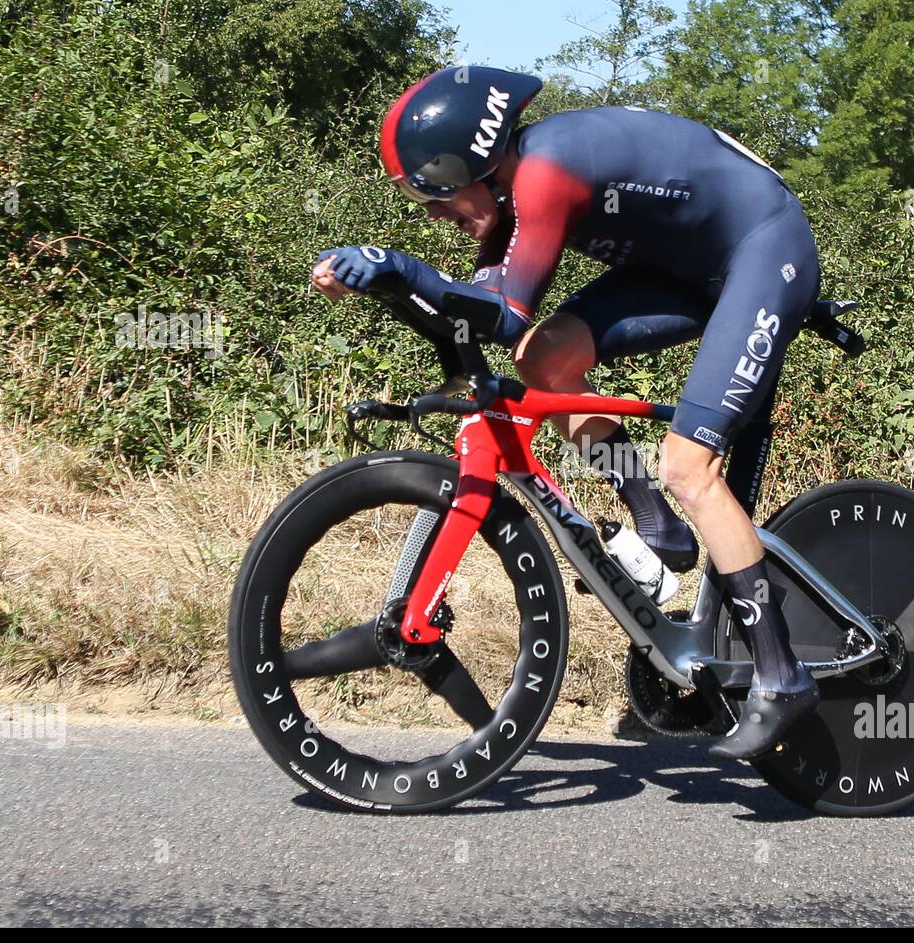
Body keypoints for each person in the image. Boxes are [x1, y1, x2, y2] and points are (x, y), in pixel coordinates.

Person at [312, 66, 822, 760]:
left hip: (763, 250)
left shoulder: (546, 171)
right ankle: (657, 524)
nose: (434, 216)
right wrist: (380, 284)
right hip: (689, 269)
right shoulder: (511, 197)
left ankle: (782, 675)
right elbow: (471, 322)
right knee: (542, 361)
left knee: (689, 464)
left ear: (478, 163)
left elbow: (503, 309)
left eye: (434, 195)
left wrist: (400, 267)